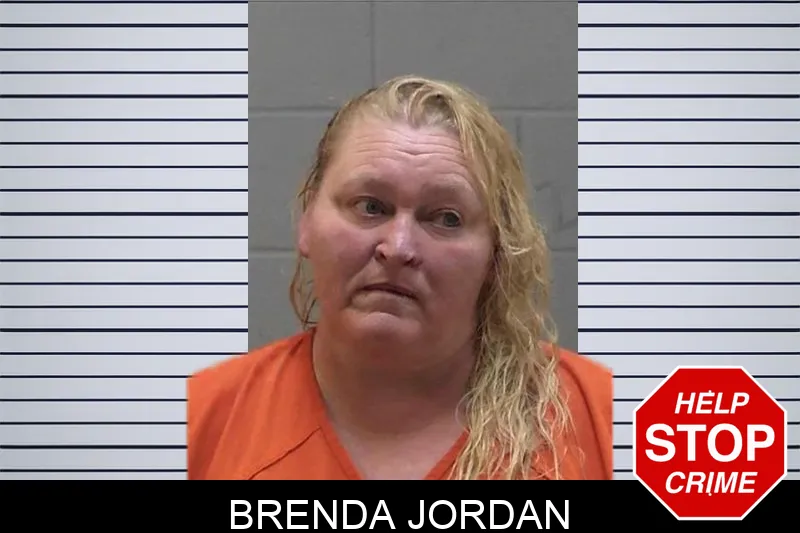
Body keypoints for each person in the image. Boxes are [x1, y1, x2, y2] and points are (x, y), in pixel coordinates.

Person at [187, 75, 613, 480]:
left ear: (496, 253)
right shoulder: (200, 420)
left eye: (446, 218)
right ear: (308, 218)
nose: (398, 247)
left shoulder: (611, 420)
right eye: (370, 207)